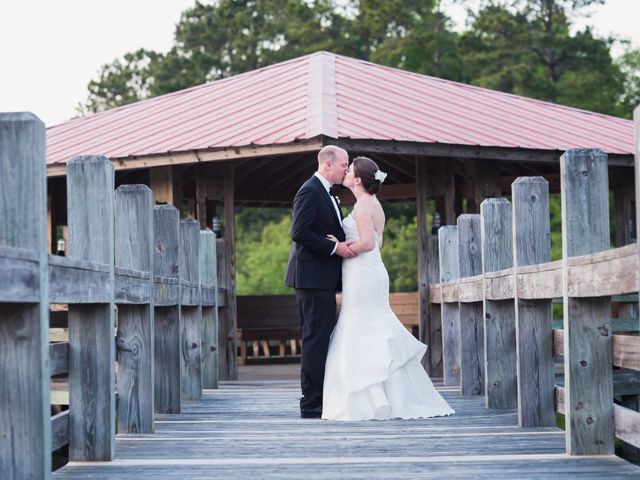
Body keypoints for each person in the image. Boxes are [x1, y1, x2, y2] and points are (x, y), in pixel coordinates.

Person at [322, 156, 455, 421]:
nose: (345, 173)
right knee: (369, 324)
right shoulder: (373, 204)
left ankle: (368, 397)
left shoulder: (362, 206)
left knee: (360, 324)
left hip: (362, 271)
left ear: (357, 180)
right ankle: (381, 394)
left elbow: (368, 243)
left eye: (349, 171)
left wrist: (340, 247)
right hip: (367, 272)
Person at [285, 145, 355, 419]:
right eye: (343, 165)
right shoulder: (310, 190)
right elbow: (299, 233)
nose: (346, 170)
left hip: (322, 279)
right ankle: (311, 403)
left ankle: (320, 399)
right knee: (315, 340)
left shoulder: (329, 194)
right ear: (327, 164)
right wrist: (334, 249)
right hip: (311, 278)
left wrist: (342, 243)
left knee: (320, 338)